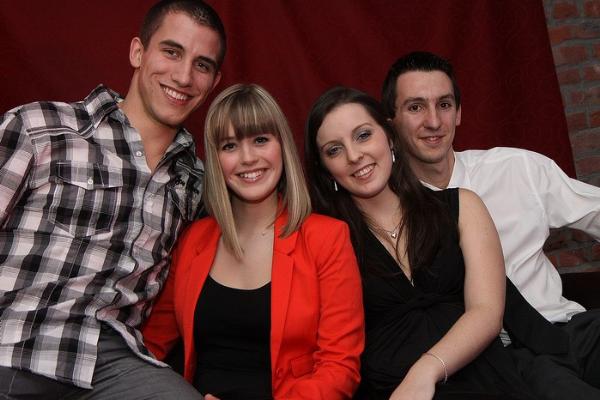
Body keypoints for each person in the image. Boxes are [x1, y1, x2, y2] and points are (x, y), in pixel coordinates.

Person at [0, 1, 225, 398]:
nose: (184, 76)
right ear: (138, 52)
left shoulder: (198, 183)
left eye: (202, 65)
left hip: (111, 364)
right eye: (171, 52)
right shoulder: (39, 128)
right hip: (16, 343)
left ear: (214, 81)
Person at [382, 51, 600, 399]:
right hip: (503, 358)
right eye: (416, 107)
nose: (434, 121)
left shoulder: (516, 168)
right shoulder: (389, 214)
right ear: (391, 122)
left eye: (444, 104)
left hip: (571, 329)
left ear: (459, 113)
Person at [305, 86, 538, 400]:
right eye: (334, 150)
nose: (354, 155)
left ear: (389, 137)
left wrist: (425, 372)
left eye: (363, 135)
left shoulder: (462, 207)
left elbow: (486, 313)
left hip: (482, 377)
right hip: (389, 390)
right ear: (324, 169)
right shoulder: (325, 241)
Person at [142, 83, 364, 400]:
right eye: (230, 145)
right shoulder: (193, 239)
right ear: (215, 159)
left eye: (260, 140)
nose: (247, 158)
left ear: (282, 145)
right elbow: (150, 347)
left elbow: (339, 368)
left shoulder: (327, 238)